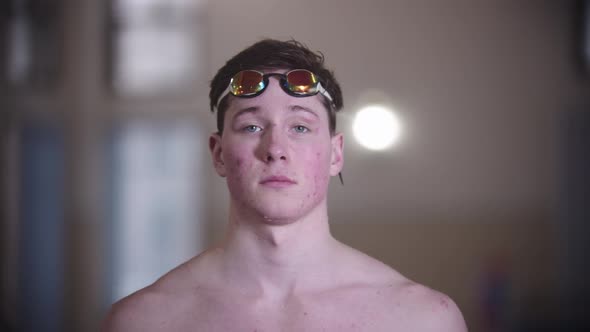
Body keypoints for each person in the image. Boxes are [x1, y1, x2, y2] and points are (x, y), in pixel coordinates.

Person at [102, 39, 467, 331]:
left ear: (336, 153)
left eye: (300, 127)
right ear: (218, 154)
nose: (275, 149)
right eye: (251, 127)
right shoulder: (144, 321)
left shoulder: (423, 320)